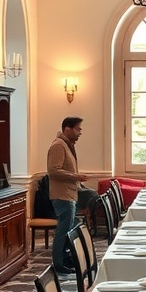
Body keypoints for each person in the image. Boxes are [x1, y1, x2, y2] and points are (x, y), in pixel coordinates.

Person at [47, 116, 98, 276]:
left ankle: (66, 259)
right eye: (78, 129)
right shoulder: (58, 145)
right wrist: (75, 177)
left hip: (69, 193)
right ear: (67, 129)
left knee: (70, 228)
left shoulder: (66, 145)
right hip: (62, 195)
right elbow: (53, 170)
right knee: (63, 230)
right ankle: (59, 263)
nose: (80, 132)